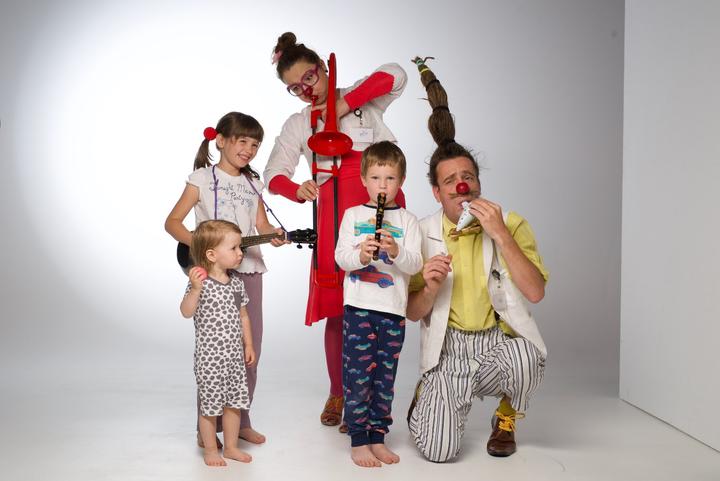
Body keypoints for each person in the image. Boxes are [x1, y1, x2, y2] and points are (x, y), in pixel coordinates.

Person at [405, 58, 549, 462]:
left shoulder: (510, 223)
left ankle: (506, 417)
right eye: (450, 181)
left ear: (478, 182)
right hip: (448, 350)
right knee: (439, 453)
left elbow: (535, 293)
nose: (461, 186)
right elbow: (413, 313)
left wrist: (500, 234)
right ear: (437, 193)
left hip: (495, 343)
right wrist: (430, 287)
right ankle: (432, 396)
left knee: (528, 357)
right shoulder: (421, 231)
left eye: (467, 177)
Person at [263, 32, 407, 430]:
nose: (306, 89)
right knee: (341, 310)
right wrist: (296, 189)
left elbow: (396, 74)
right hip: (334, 220)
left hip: (384, 212)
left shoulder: (362, 98)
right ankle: (340, 392)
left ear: (324, 68)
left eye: (309, 77)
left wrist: (343, 104)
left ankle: (370, 400)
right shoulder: (298, 123)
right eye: (295, 87)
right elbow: (273, 173)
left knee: (384, 302)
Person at [166, 112, 286, 448]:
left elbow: (262, 225)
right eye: (242, 141)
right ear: (220, 140)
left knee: (249, 350)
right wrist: (202, 246)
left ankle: (241, 421)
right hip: (214, 275)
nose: (249, 149)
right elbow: (173, 222)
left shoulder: (253, 183)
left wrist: (274, 234)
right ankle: (205, 428)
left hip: (248, 271)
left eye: (255, 145)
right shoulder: (202, 179)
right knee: (214, 353)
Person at [334, 141, 422, 467]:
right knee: (358, 376)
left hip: (393, 311)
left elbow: (415, 264)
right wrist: (361, 254)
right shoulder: (353, 215)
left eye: (390, 179)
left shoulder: (408, 221)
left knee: (385, 379)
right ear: (363, 180)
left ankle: (378, 436)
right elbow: (341, 258)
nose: (382, 186)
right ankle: (359, 438)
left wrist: (395, 251)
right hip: (359, 307)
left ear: (401, 182)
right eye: (375, 178)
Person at [180, 219, 257, 466]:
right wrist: (194, 290)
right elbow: (186, 312)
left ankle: (232, 447)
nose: (240, 253)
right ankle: (211, 449)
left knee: (234, 405)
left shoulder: (236, 283)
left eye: (239, 247)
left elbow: (243, 316)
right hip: (210, 359)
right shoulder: (200, 284)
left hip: (234, 357)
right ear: (212, 255)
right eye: (233, 248)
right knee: (210, 407)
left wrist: (249, 345)